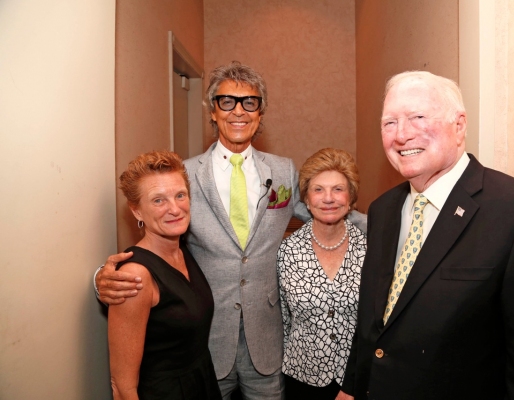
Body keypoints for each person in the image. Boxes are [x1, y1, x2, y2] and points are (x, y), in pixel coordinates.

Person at [96, 61, 367, 400]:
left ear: (260, 112)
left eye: (249, 102)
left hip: (266, 343)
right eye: (227, 101)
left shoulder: (282, 171)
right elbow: (155, 242)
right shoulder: (186, 175)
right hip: (205, 342)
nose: (238, 111)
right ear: (212, 111)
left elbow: (323, 210)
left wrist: (386, 228)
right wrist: (103, 278)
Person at [339, 71, 514, 400]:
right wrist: (353, 386)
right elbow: (375, 317)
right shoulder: (383, 210)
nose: (401, 135)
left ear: (459, 125)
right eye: (389, 123)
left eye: (418, 117)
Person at [108, 150, 221, 400]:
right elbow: (122, 386)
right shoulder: (136, 276)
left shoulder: (182, 250)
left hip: (201, 383)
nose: (175, 208)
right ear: (137, 211)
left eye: (180, 195)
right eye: (158, 200)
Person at [277, 148, 366, 400]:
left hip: (358, 378)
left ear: (351, 197)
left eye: (338, 189)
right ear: (305, 199)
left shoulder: (370, 249)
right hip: (302, 379)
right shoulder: (287, 251)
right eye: (318, 189)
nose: (329, 198)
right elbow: (283, 320)